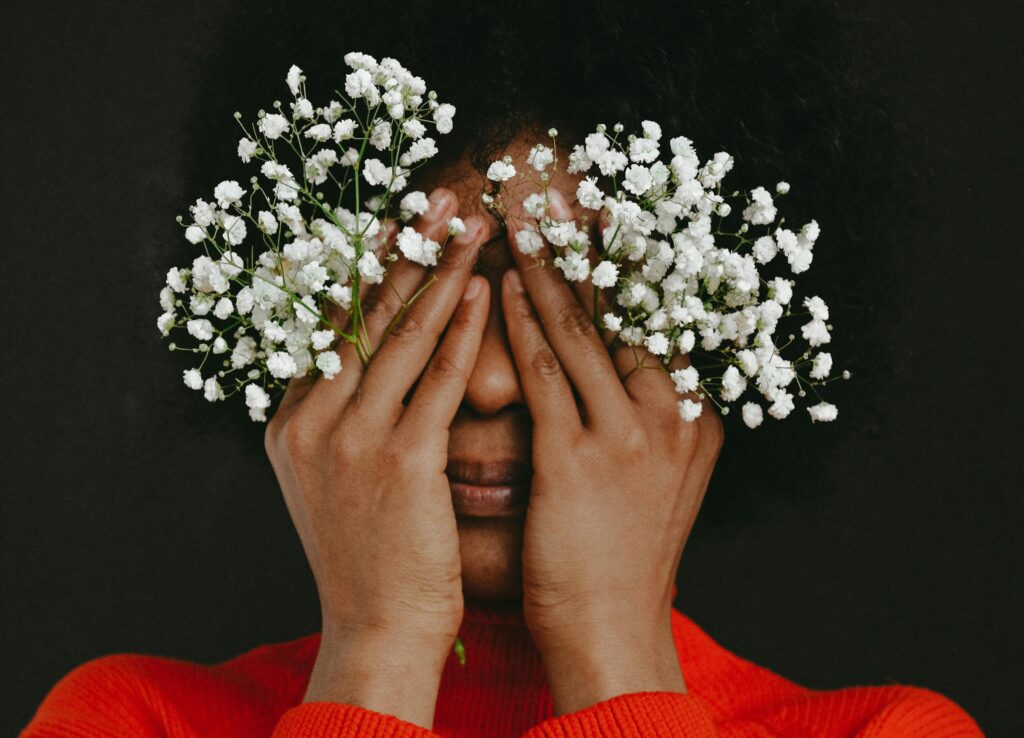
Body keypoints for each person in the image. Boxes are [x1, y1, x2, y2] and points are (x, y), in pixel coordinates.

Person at [19, 2, 985, 736]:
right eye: (424, 288)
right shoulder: (131, 718)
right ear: (296, 303)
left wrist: (613, 652)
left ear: (719, 324)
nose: (488, 382)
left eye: (572, 296)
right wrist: (378, 653)